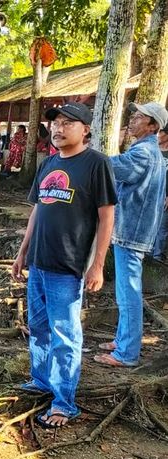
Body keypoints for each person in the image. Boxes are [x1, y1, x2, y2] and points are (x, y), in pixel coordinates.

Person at [12, 102, 117, 428]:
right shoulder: (48, 163)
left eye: (68, 123)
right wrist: (22, 251)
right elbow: (37, 210)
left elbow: (106, 215)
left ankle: (64, 403)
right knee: (39, 328)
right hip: (39, 264)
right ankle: (41, 380)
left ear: (85, 129)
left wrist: (97, 264)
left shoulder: (96, 164)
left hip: (67, 267)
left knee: (65, 335)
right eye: (55, 123)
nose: (58, 129)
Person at [94, 102, 168, 368]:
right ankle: (124, 339)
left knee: (128, 291)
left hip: (131, 231)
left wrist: (88, 156)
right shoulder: (149, 151)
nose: (133, 119)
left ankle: (126, 353)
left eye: (139, 117)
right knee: (126, 290)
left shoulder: (144, 153)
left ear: (152, 126)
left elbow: (115, 167)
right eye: (134, 115)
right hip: (134, 229)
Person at [152, 123, 168, 261]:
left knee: (162, 227)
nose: (158, 135)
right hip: (151, 193)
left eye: (161, 132)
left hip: (165, 196)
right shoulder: (153, 150)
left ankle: (157, 256)